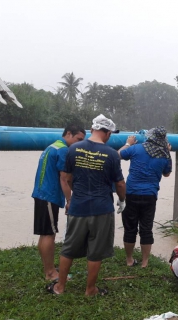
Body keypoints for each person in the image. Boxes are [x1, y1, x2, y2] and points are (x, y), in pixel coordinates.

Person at [47, 114, 126, 296]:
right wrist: (122, 201)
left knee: (68, 248)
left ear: (92, 130)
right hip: (102, 208)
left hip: (78, 207)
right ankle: (90, 290)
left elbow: (67, 177)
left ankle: (60, 287)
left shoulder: (73, 149)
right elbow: (120, 184)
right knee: (96, 251)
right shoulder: (112, 154)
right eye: (110, 134)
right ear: (106, 133)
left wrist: (77, 194)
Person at [32, 124, 86, 281]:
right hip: (49, 196)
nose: (79, 143)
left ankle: (49, 269)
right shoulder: (63, 150)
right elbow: (65, 178)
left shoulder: (52, 146)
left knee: (46, 233)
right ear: (68, 133)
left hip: (42, 194)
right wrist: (70, 200)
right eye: (78, 139)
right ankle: (50, 273)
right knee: (49, 234)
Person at [118, 126, 172, 268]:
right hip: (150, 196)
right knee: (146, 228)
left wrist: (129, 143)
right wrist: (167, 151)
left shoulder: (136, 149)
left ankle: (129, 260)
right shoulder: (164, 155)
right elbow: (167, 173)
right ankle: (145, 263)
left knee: (130, 228)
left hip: (131, 193)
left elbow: (118, 154)